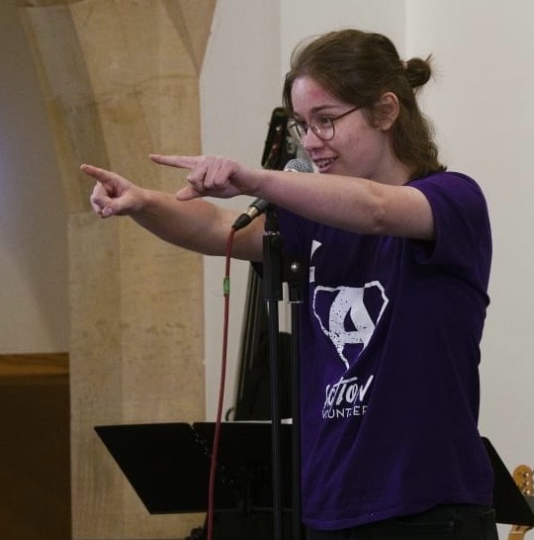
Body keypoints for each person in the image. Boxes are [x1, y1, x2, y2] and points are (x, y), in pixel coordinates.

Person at [81, 28, 497, 540]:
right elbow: (219, 229)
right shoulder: (314, 222)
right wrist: (143, 203)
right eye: (303, 125)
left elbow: (376, 210)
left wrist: (255, 177)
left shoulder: (453, 200)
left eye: (326, 121)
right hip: (328, 507)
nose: (311, 142)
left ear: (386, 111)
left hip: (427, 509)